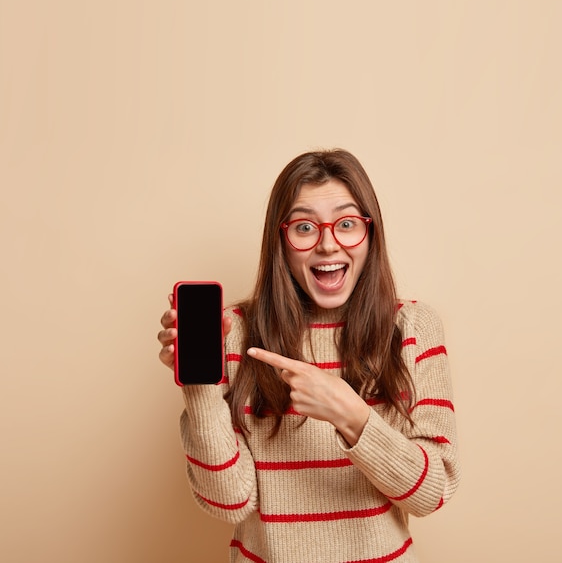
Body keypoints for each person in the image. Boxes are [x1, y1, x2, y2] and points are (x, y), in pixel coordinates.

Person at [158, 149, 460, 563]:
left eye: (347, 223)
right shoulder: (234, 334)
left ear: (371, 234)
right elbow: (229, 502)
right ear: (280, 239)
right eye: (304, 227)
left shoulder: (413, 327)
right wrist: (199, 388)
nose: (327, 243)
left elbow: (432, 493)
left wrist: (350, 415)